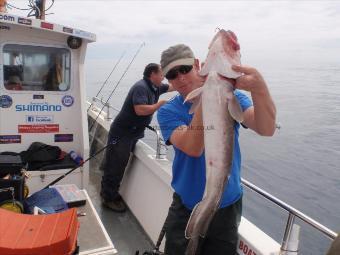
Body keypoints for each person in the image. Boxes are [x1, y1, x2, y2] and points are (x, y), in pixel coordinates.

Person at [157, 44, 276, 254]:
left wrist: (259, 87)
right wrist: (209, 96)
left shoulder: (232, 97)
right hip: (186, 206)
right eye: (172, 75)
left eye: (184, 69)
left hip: (227, 206)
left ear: (197, 65)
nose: (181, 78)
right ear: (168, 80)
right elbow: (193, 147)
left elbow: (266, 129)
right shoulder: (168, 111)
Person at [100, 63, 173, 212]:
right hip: (122, 133)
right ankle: (108, 199)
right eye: (161, 74)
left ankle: (108, 192)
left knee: (118, 163)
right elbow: (140, 110)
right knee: (116, 166)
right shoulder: (141, 87)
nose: (163, 77)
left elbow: (174, 87)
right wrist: (159, 105)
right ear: (152, 74)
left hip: (132, 133)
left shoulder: (156, 87)